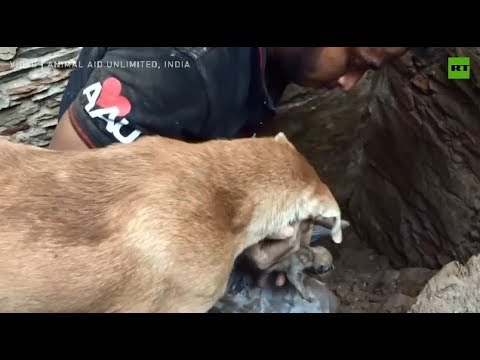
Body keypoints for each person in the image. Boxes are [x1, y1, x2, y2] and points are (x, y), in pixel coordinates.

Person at [48, 47, 409, 288]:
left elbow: (241, 126)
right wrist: (229, 241)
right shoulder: (178, 66)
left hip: (174, 205)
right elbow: (59, 200)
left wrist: (265, 217)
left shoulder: (274, 57)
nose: (350, 84)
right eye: (356, 62)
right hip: (99, 255)